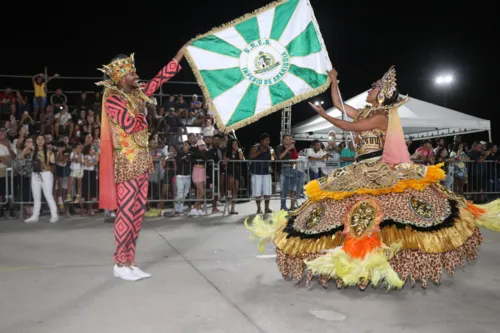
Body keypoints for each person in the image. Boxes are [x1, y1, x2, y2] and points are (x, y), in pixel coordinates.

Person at [246, 66, 500, 290]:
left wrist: (323, 117)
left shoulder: (381, 117)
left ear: (380, 94)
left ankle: (384, 261)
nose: (369, 90)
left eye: (373, 87)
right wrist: (334, 81)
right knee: (339, 214)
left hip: (378, 167)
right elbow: (339, 105)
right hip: (358, 168)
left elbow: (346, 126)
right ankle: (349, 261)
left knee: (388, 215)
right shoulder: (366, 113)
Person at [97, 43, 189, 281]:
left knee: (138, 212)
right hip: (126, 161)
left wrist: (179, 54)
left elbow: (159, 80)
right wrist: (142, 109)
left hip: (141, 160)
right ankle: (119, 262)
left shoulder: (136, 94)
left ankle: (130, 261)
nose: (136, 76)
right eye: (131, 73)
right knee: (126, 212)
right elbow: (130, 125)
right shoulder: (113, 99)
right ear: (119, 75)